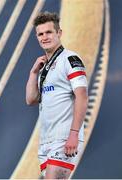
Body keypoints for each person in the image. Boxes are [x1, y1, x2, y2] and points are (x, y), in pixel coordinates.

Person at [26, 11, 88, 179]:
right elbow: (31, 99)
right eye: (40, 34)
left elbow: (82, 96)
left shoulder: (70, 58)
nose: (44, 37)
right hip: (46, 141)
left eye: (49, 32)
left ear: (59, 33)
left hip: (64, 138)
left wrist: (73, 134)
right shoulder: (43, 67)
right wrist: (33, 73)